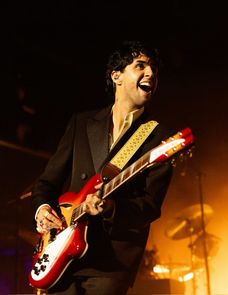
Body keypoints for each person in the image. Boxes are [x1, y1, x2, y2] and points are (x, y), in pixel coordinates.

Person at [30, 40, 175, 295]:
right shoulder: (82, 122)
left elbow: (150, 206)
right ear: (116, 76)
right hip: (62, 252)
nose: (151, 74)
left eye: (154, 69)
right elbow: (47, 183)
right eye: (140, 65)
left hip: (111, 262)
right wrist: (42, 210)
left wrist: (110, 207)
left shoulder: (158, 138)